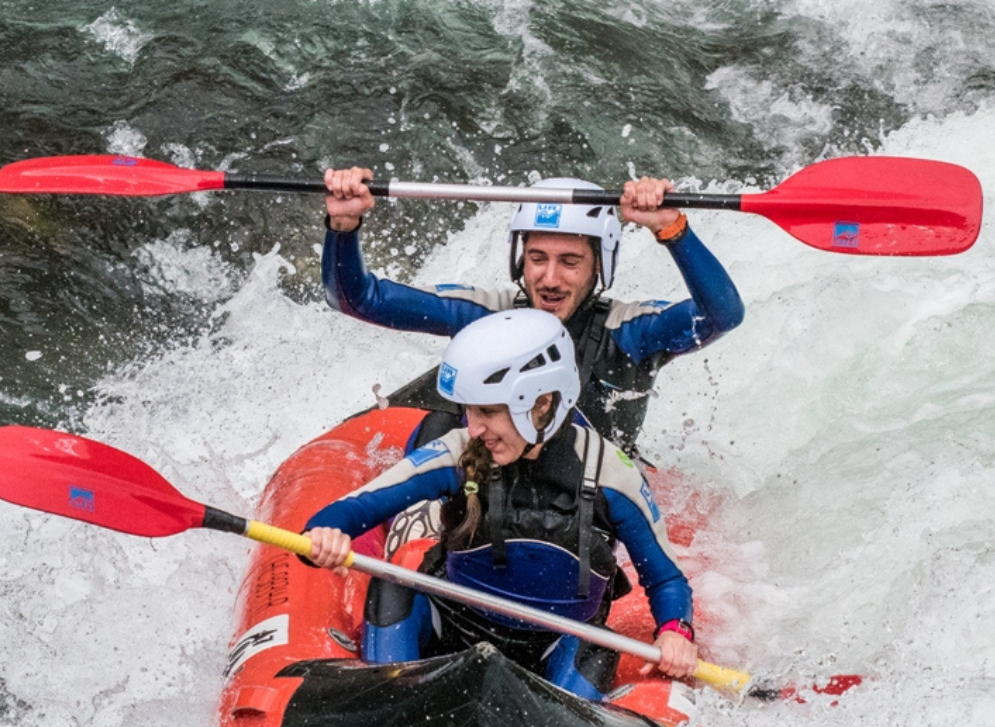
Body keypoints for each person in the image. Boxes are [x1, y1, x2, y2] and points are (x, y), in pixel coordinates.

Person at [304, 309, 698, 700]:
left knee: (597, 647)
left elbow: (665, 579)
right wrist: (326, 533)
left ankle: (564, 720)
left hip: (552, 650)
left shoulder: (610, 474)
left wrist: (675, 631)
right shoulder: (459, 452)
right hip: (452, 628)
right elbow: (356, 508)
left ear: (542, 403)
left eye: (488, 411)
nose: (474, 427)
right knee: (392, 589)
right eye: (470, 410)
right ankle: (390, 701)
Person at [322, 166, 744, 455]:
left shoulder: (631, 333)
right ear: (520, 258)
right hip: (490, 485)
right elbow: (357, 299)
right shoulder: (487, 314)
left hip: (583, 503)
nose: (550, 279)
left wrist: (672, 229)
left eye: (570, 262)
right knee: (436, 423)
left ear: (600, 265)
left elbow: (723, 315)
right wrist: (344, 226)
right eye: (538, 258)